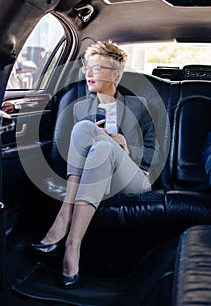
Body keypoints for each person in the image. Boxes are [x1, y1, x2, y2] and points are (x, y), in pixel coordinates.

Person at [31, 40, 159, 288]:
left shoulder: (139, 107)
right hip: (93, 178)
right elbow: (69, 156)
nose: (88, 74)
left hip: (133, 179)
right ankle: (72, 247)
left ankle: (62, 221)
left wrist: (125, 146)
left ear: (116, 74)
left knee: (95, 137)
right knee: (96, 142)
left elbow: (153, 155)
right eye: (87, 68)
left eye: (97, 68)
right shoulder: (78, 107)